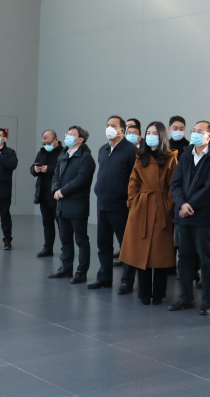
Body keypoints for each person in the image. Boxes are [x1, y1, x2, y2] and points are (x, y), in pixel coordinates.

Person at [169, 121, 210, 314]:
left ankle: (208, 301)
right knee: (184, 258)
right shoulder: (186, 155)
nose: (194, 134)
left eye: (199, 131)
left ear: (209, 136)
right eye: (193, 131)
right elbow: (175, 183)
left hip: (202, 217)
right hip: (183, 216)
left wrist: (190, 205)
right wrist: (182, 204)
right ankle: (185, 298)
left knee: (205, 259)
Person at [121, 122, 178, 305]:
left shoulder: (170, 158)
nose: (151, 136)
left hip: (161, 208)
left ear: (162, 136)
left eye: (155, 133)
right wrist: (132, 202)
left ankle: (159, 294)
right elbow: (133, 181)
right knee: (140, 252)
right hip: (141, 207)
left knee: (159, 254)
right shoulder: (140, 157)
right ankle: (144, 293)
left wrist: (168, 205)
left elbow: (174, 185)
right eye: (149, 132)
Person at [89, 116, 139, 293]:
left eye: (113, 125)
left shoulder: (131, 151)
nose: (109, 128)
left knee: (126, 245)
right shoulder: (103, 149)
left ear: (122, 130)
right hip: (102, 203)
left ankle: (127, 281)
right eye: (107, 125)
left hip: (121, 206)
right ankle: (104, 278)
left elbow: (135, 180)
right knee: (103, 244)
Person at [48, 126, 96, 284]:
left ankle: (81, 272)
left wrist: (62, 191)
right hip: (62, 204)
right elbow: (56, 175)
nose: (67, 136)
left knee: (81, 240)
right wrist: (55, 189)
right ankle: (65, 268)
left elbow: (81, 180)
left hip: (77, 204)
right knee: (65, 239)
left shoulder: (86, 158)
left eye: (71, 134)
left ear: (80, 139)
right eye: (67, 133)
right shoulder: (63, 155)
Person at [31, 130, 63, 258]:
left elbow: (63, 171)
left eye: (48, 143)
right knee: (47, 223)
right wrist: (35, 169)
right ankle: (48, 248)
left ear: (56, 140)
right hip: (43, 193)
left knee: (61, 224)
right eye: (44, 143)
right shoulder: (41, 152)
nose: (46, 145)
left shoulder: (63, 153)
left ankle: (65, 249)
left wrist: (48, 169)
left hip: (57, 194)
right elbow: (32, 169)